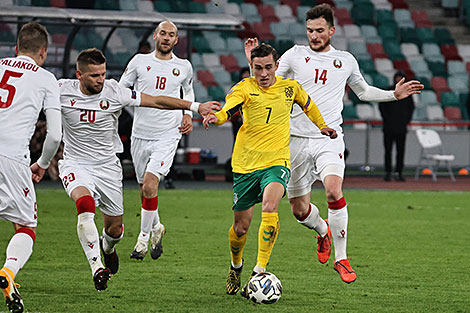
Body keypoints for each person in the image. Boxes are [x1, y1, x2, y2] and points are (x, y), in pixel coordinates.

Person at [244, 4, 423, 283]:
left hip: (329, 138)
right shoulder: (295, 55)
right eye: (310, 31)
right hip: (294, 140)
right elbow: (267, 85)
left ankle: (342, 258)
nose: (314, 36)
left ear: (331, 30)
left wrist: (393, 95)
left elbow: (363, 92)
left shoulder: (346, 60)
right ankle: (323, 231)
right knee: (299, 211)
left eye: (319, 30)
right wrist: (251, 64)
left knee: (333, 190)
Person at [58, 48, 219, 291]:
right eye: (94, 76)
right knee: (85, 205)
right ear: (79, 74)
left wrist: (195, 107)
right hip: (75, 162)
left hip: (107, 167)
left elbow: (157, 100)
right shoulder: (60, 90)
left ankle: (108, 247)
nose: (100, 80)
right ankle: (97, 268)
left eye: (103, 74)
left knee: (115, 230)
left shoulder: (115, 92)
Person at [203, 43, 337, 298]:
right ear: (251, 68)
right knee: (241, 228)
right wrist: (216, 117)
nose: (263, 74)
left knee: (270, 206)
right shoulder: (244, 87)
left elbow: (308, 104)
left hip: (277, 161)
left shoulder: (289, 87)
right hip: (245, 164)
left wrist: (322, 126)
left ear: (276, 66)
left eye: (267, 68)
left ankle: (259, 270)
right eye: (257, 68)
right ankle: (236, 266)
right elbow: (228, 109)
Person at [119, 21, 196, 261]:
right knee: (144, 188)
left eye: (171, 35)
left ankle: (142, 240)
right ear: (155, 36)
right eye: (163, 33)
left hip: (167, 133)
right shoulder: (139, 62)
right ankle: (156, 226)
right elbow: (121, 90)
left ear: (176, 40)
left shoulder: (183, 66)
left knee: (151, 184)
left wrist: (187, 114)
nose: (166, 38)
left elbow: (189, 93)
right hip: (140, 133)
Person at [0, 22, 62, 313]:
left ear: (15, 48)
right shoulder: (45, 78)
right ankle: (8, 273)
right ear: (43, 52)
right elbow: (54, 134)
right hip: (13, 157)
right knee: (26, 226)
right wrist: (43, 164)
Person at [379, 71, 415, 182]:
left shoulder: (407, 94)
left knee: (400, 152)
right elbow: (382, 107)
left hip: (401, 128)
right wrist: (387, 120)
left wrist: (405, 122)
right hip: (389, 127)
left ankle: (399, 172)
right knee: (388, 151)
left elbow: (411, 109)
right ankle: (388, 172)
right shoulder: (388, 91)